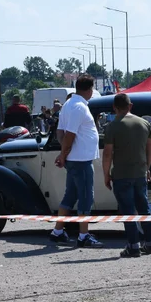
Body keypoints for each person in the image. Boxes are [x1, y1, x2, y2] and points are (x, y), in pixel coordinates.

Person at [102, 93, 151, 258]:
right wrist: (147, 168)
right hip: (140, 173)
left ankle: (133, 246)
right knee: (144, 209)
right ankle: (150, 243)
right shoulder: (145, 124)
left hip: (121, 174)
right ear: (130, 106)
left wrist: (106, 174)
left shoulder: (112, 126)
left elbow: (107, 154)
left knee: (128, 211)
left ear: (114, 108)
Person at [51, 75, 103, 248]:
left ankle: (57, 231)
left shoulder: (68, 105)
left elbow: (60, 132)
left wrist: (64, 153)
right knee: (86, 197)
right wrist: (64, 154)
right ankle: (83, 235)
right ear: (89, 89)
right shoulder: (79, 107)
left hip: (75, 158)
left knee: (70, 195)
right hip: (81, 160)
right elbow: (70, 135)